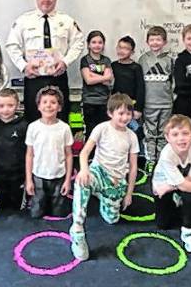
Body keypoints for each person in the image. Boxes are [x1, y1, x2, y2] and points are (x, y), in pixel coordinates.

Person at [69, 93, 139, 261]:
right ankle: (77, 228)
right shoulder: (101, 128)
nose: (125, 117)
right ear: (110, 113)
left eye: (128, 113)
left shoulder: (132, 136)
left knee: (112, 219)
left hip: (115, 181)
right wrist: (84, 169)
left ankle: (100, 195)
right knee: (82, 181)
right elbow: (84, 153)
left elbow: (134, 167)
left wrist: (129, 193)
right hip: (98, 172)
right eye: (120, 113)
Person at [6, 0, 85, 122]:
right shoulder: (24, 21)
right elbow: (12, 45)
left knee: (60, 118)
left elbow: (79, 43)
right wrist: (24, 66)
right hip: (33, 77)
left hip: (58, 76)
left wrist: (66, 62)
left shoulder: (66, 21)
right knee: (33, 119)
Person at [152, 114, 191, 253]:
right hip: (162, 184)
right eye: (175, 134)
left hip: (179, 183)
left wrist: (173, 187)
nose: (181, 138)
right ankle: (176, 201)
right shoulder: (166, 154)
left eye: (185, 133)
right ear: (167, 138)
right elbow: (184, 184)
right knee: (163, 224)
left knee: (190, 194)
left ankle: (189, 232)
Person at [25, 86, 73, 218]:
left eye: (53, 102)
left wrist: (68, 180)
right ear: (38, 106)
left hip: (59, 176)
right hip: (38, 176)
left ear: (59, 107)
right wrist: (29, 180)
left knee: (58, 214)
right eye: (44, 102)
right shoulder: (33, 127)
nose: (48, 106)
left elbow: (69, 155)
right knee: (36, 214)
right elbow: (29, 155)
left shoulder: (64, 128)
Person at [138, 25, 173, 171]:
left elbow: (173, 82)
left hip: (166, 103)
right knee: (150, 133)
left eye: (158, 40)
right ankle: (151, 160)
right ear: (147, 42)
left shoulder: (169, 60)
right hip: (149, 103)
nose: (155, 43)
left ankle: (162, 160)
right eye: (152, 40)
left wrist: (172, 98)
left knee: (164, 133)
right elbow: (139, 83)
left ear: (164, 42)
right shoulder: (143, 59)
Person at [0, 88, 28, 210]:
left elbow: (29, 150)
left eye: (10, 105)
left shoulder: (24, 125)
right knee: (2, 207)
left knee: (18, 207)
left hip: (18, 173)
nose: (5, 109)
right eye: (1, 106)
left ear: (18, 105)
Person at [80, 30, 112, 140]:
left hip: (104, 101)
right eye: (93, 42)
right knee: (91, 131)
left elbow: (109, 80)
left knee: (104, 132)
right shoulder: (85, 60)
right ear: (88, 44)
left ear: (103, 44)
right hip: (89, 101)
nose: (97, 45)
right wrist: (103, 77)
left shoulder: (106, 60)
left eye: (100, 42)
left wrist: (94, 76)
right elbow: (88, 80)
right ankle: (90, 156)